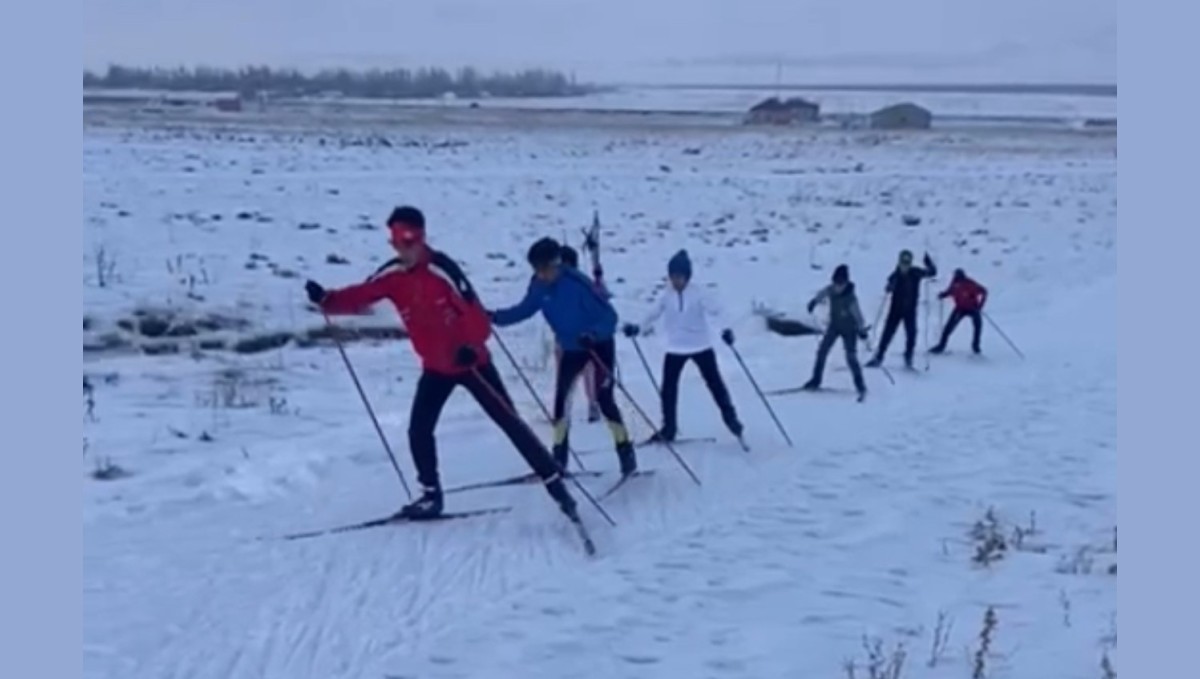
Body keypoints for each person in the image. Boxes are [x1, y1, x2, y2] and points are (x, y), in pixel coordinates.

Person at [304, 206, 579, 522]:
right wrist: (327, 300)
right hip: (436, 367)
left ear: (421, 238)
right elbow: (362, 294)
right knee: (418, 430)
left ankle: (557, 487)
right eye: (396, 242)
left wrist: (470, 346)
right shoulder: (392, 275)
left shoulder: (443, 271)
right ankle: (430, 496)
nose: (403, 248)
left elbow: (477, 318)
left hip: (472, 363)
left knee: (510, 422)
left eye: (409, 241)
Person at [489, 237, 637, 477]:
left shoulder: (578, 283)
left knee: (605, 400)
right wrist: (494, 317)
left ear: (557, 265)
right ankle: (559, 460)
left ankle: (625, 452)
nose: (541, 275)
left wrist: (593, 334)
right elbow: (524, 309)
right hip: (572, 349)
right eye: (536, 269)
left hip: (598, 345)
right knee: (560, 404)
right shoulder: (538, 286)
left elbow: (610, 317)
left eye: (544, 269)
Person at [621, 249, 744, 445]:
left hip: (700, 345)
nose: (675, 281)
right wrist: (637, 327)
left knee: (715, 384)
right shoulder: (667, 295)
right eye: (672, 277)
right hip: (675, 348)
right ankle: (669, 428)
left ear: (687, 276)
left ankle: (732, 421)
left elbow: (718, 311)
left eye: (679, 277)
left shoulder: (698, 294)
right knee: (668, 389)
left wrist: (726, 330)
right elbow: (653, 314)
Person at [801, 264, 869, 399]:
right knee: (822, 351)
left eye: (840, 284)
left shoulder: (851, 299)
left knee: (851, 357)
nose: (837, 287)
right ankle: (816, 380)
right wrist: (814, 302)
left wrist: (862, 330)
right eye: (835, 283)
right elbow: (822, 293)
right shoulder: (831, 290)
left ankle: (860, 385)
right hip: (835, 326)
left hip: (850, 330)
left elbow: (858, 316)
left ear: (845, 283)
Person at [556, 245, 604, 423]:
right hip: (563, 339)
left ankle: (593, 405)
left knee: (588, 372)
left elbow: (601, 296)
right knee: (564, 375)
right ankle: (562, 409)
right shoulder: (554, 286)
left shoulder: (582, 284)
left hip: (583, 339)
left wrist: (598, 277)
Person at [866, 249, 937, 369]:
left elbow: (932, 273)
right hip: (895, 310)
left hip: (910, 310)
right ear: (899, 262)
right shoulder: (895, 276)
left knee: (911, 334)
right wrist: (889, 287)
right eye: (903, 263)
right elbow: (888, 287)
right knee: (887, 334)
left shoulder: (915, 273)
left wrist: (929, 263)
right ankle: (879, 357)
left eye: (907, 263)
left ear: (910, 263)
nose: (905, 266)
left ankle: (908, 357)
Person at [930, 268, 988, 354]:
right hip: (960, 308)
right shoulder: (955, 283)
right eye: (956, 277)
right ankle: (941, 346)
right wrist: (943, 295)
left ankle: (976, 346)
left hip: (972, 308)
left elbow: (984, 291)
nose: (957, 279)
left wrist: (980, 306)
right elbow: (950, 291)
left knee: (978, 325)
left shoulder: (970, 283)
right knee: (948, 327)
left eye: (959, 277)